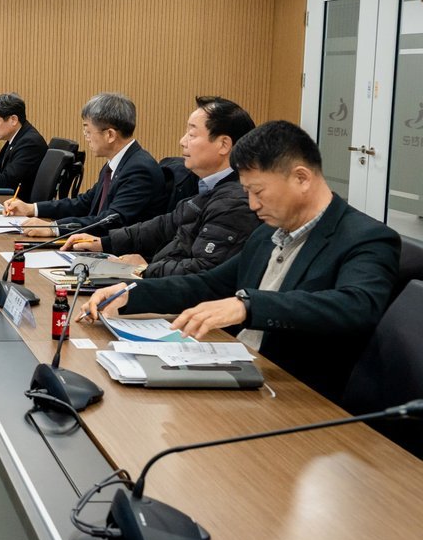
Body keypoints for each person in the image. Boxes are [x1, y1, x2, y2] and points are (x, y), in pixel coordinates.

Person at [83, 120, 400, 404]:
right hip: (239, 372)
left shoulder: (366, 238)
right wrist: (130, 293)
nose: (252, 204)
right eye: (247, 191)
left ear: (301, 178)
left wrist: (248, 306)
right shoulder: (268, 232)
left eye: (258, 192)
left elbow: (356, 306)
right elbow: (209, 284)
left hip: (295, 394)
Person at [60, 97, 259, 277]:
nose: (182, 141)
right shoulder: (206, 187)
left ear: (224, 144)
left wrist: (144, 269)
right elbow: (162, 226)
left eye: (191, 134)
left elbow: (203, 271)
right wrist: (102, 243)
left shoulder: (234, 202)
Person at [4, 92, 165, 236]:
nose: (86, 138)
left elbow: (111, 221)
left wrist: (53, 227)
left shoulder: (139, 169)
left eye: (88, 131)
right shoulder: (118, 163)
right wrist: (32, 208)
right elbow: (85, 202)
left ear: (110, 135)